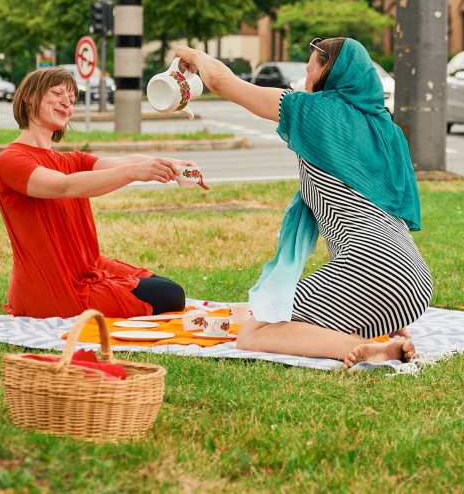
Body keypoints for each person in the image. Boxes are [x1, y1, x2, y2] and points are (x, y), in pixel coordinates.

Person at [174, 38, 432, 368]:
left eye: (312, 67)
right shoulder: (385, 128)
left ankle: (363, 348)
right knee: (290, 315)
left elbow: (225, 82)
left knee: (255, 332)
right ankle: (386, 338)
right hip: (416, 283)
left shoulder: (315, 113)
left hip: (375, 269)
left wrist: (193, 55)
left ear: (330, 73)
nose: (306, 73)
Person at [0, 67, 206, 319]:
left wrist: (174, 164)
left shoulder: (72, 159)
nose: (66, 104)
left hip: (86, 266)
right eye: (57, 93)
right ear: (28, 96)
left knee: (166, 287)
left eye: (71, 100)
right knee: (170, 296)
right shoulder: (10, 160)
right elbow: (65, 186)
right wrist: (135, 172)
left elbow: (122, 161)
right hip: (54, 289)